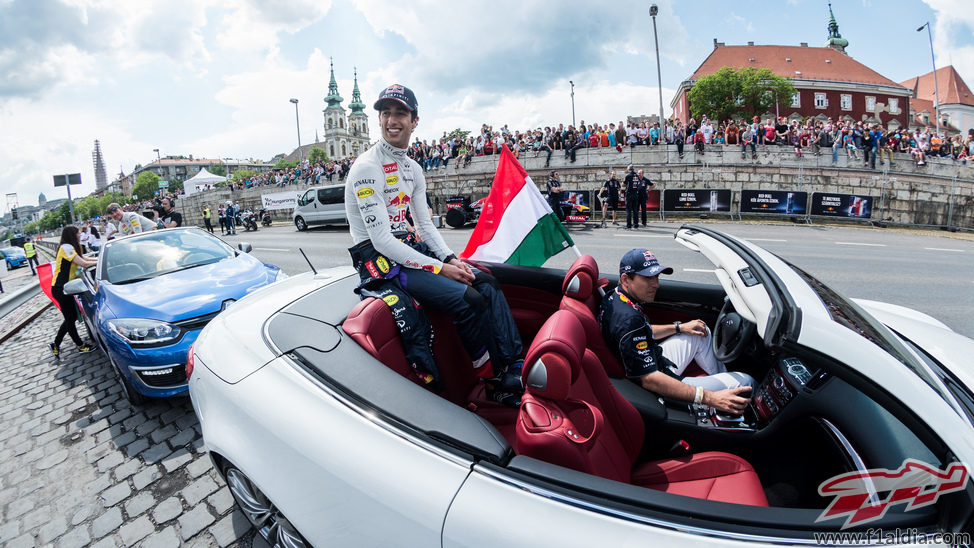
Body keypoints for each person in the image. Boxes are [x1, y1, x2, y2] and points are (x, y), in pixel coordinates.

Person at [344, 83, 525, 406]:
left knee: (485, 281)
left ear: (415, 121)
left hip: (409, 248)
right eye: (386, 113)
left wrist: (452, 259)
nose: (392, 120)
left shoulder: (412, 168)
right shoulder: (366, 167)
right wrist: (440, 267)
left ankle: (515, 366)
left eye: (400, 113)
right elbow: (383, 240)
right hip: (381, 259)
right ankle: (492, 382)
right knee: (468, 299)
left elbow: (424, 225)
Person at [599, 249, 756, 414]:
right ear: (626, 279)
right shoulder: (629, 319)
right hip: (657, 381)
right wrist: (710, 397)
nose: (656, 284)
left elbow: (642, 332)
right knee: (746, 382)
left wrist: (679, 327)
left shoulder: (615, 297)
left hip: (655, 358)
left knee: (700, 331)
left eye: (656, 277)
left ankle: (724, 385)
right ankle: (728, 395)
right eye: (648, 278)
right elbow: (649, 380)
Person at [50, 226, 98, 358]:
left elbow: (85, 260)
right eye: (77, 233)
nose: (79, 234)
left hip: (65, 288)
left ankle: (56, 343)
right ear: (72, 235)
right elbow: (83, 263)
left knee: (71, 317)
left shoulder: (69, 247)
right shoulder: (66, 247)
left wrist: (101, 260)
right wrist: (101, 262)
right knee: (70, 318)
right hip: (60, 289)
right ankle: (80, 345)